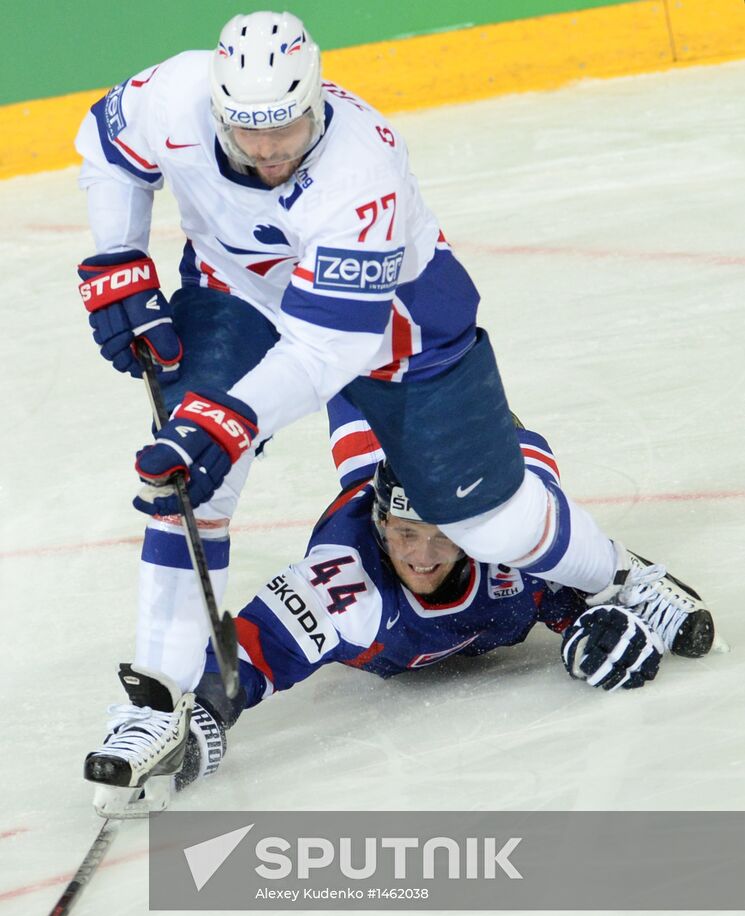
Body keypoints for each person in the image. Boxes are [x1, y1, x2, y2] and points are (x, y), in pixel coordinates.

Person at [75, 12, 713, 815]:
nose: (269, 152)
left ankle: (619, 575)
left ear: (316, 101)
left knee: (489, 526)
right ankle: (156, 706)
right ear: (214, 106)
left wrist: (230, 420)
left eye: (288, 130)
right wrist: (116, 253)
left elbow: (325, 353)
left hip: (394, 327)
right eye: (247, 133)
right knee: (187, 482)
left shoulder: (362, 168)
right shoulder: (171, 95)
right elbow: (106, 148)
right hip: (238, 290)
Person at [85, 429, 711, 813]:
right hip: (370, 508)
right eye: (406, 533)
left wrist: (593, 620)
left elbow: (560, 591)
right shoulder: (344, 586)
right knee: (352, 379)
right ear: (382, 523)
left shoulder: (508, 538)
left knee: (512, 455)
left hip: (495, 486)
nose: (421, 555)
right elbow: (243, 659)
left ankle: (637, 574)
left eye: (442, 536)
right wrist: (188, 727)